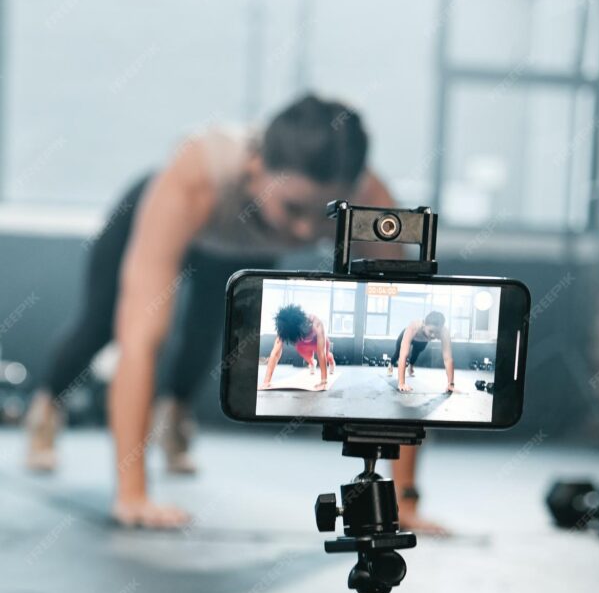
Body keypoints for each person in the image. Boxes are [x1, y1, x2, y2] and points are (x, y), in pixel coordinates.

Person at [22, 93, 432, 528]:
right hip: (178, 213)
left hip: (247, 238)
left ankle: (174, 419)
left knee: (209, 333)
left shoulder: (370, 198)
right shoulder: (197, 174)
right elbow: (141, 343)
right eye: (294, 208)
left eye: (323, 215)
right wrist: (134, 496)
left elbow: (403, 349)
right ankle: (48, 406)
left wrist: (403, 502)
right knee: (104, 325)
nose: (306, 230)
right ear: (255, 169)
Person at [262, 304, 335, 389]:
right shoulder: (285, 329)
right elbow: (275, 353)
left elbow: (321, 352)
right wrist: (266, 382)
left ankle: (331, 359)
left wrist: (324, 381)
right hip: (303, 345)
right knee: (303, 352)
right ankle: (312, 362)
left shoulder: (316, 323)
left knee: (325, 355)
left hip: (318, 341)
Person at [387, 310, 455, 393]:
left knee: (416, 353)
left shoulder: (444, 332)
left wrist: (451, 384)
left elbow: (448, 359)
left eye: (437, 332)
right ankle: (391, 364)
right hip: (408, 335)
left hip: (422, 340)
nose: (433, 335)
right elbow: (403, 355)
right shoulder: (414, 326)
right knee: (397, 354)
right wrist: (401, 383)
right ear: (424, 325)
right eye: (431, 331)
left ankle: (410, 366)